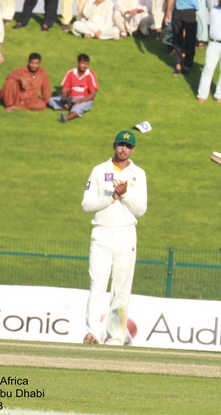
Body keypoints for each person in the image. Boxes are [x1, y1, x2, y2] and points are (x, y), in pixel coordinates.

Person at [82, 130, 147, 345]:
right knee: (97, 284)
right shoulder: (99, 170)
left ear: (133, 149)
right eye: (120, 144)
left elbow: (140, 210)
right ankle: (92, 332)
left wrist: (125, 194)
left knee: (121, 287)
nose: (124, 149)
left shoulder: (139, 174)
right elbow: (86, 204)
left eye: (128, 146)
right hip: (101, 232)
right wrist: (113, 197)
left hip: (126, 233)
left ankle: (116, 337)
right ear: (114, 145)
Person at [165, 0, 202, 75]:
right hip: (178, 11)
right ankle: (178, 65)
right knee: (177, 40)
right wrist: (167, 13)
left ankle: (187, 65)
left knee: (190, 41)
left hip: (190, 11)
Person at [49, 53, 98, 123]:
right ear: (78, 63)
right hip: (71, 99)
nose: (85, 66)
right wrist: (65, 100)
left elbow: (93, 94)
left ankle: (66, 118)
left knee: (78, 106)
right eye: (83, 63)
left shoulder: (90, 75)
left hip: (84, 99)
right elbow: (65, 89)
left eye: (87, 64)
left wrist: (80, 100)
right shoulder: (70, 73)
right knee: (51, 100)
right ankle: (69, 107)